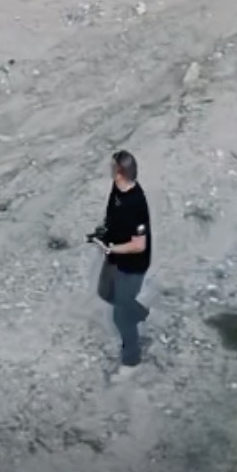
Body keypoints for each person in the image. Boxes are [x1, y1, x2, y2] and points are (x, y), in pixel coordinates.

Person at [90, 149, 151, 367]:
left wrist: (112, 248)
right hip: (115, 255)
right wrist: (103, 233)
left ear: (119, 173)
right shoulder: (117, 188)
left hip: (132, 266)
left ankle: (131, 360)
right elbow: (112, 217)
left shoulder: (136, 204)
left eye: (111, 167)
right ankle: (140, 312)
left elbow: (138, 245)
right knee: (105, 292)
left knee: (120, 317)